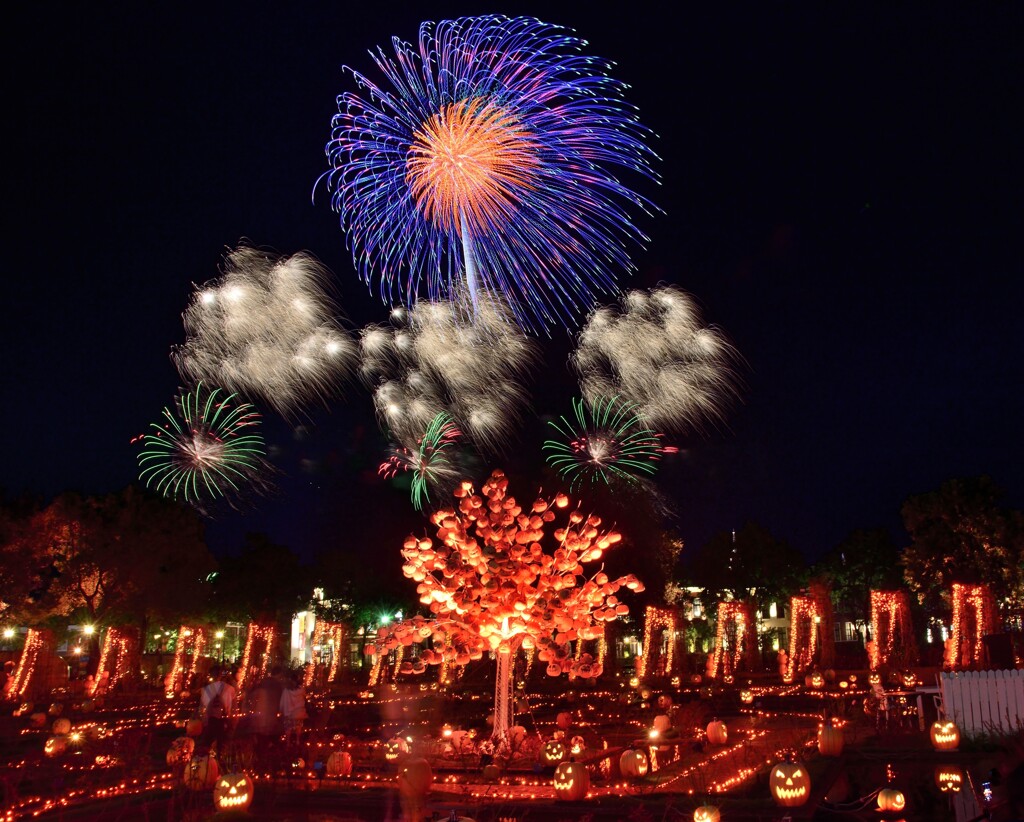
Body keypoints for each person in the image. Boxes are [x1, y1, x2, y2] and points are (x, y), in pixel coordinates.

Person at [200, 669, 236, 756]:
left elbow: (202, 708)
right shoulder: (230, 689)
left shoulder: (206, 689)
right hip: (223, 720)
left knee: (208, 745)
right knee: (222, 745)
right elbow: (233, 707)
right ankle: (220, 759)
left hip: (211, 720)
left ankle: (209, 762)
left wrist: (203, 721)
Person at [279, 672, 307, 745]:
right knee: (298, 727)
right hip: (299, 712)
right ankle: (298, 741)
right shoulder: (301, 689)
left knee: (288, 728)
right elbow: (305, 697)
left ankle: (288, 742)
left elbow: (282, 701)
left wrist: (281, 710)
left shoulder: (286, 690)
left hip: (288, 713)